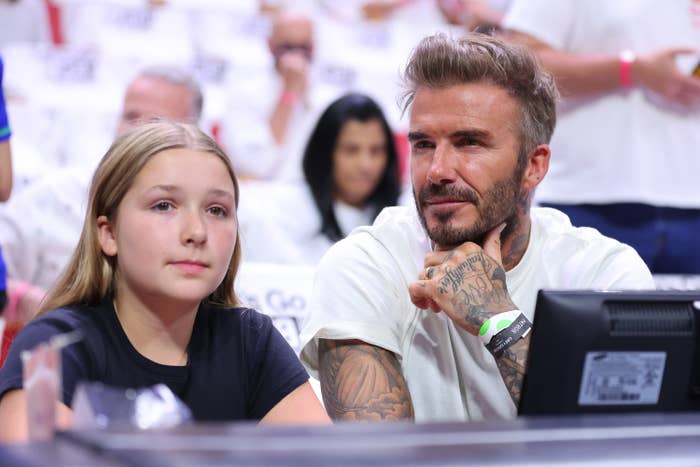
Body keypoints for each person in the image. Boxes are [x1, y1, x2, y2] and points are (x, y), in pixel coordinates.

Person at [299, 33, 655, 423]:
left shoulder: (604, 272)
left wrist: (499, 320)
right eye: (423, 145)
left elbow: (617, 443)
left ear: (533, 166)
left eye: (469, 143)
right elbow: (379, 457)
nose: (437, 171)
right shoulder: (365, 264)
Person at [0, 121, 330, 443]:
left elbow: (327, 458)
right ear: (109, 233)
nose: (197, 232)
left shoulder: (250, 341)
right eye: (164, 205)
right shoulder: (54, 344)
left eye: (216, 210)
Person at [502, 0, 700, 273]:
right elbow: (520, 63)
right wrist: (631, 70)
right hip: (588, 196)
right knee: (573, 314)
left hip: (690, 202)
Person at [0, 66, 203, 320]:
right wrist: (24, 298)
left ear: (194, 136)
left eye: (156, 123)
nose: (137, 131)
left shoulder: (207, 217)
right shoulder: (57, 197)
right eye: (131, 116)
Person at [239, 93, 400, 265]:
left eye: (376, 151)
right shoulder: (278, 209)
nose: (365, 165)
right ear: (324, 153)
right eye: (351, 150)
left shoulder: (401, 218)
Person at [223, 10, 345, 182]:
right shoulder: (245, 94)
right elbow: (257, 165)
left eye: (304, 48)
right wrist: (288, 93)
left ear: (314, 48)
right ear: (270, 45)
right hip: (262, 194)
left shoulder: (328, 97)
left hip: (314, 195)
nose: (296, 56)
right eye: (287, 47)